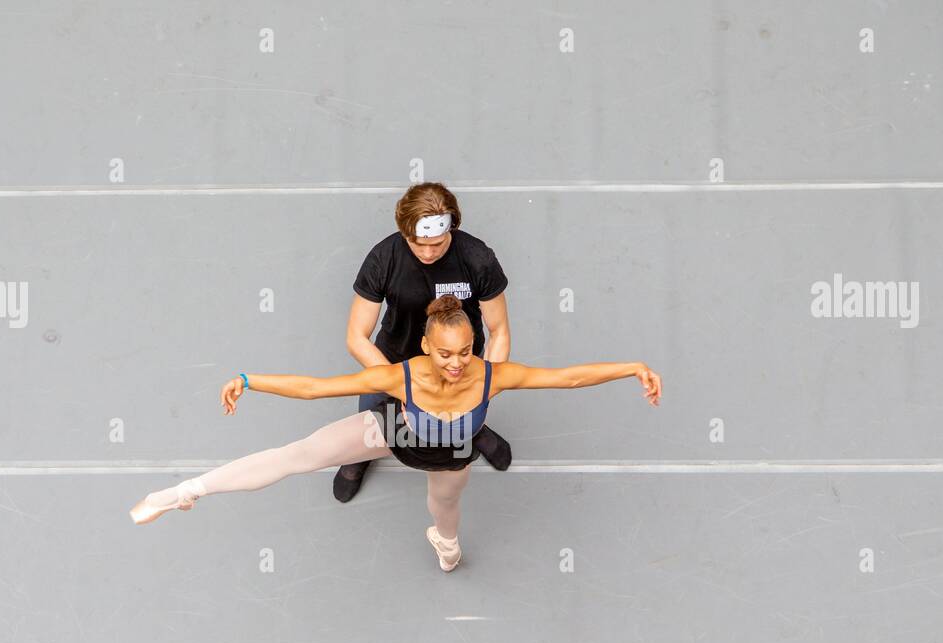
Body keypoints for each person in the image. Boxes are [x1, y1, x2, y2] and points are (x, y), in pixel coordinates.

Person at [130, 295, 662, 572]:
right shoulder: (399, 376)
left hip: (451, 456)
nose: (457, 364)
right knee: (299, 453)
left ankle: (445, 546)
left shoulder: (493, 376)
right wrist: (250, 380)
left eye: (466, 351)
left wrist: (632, 365)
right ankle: (183, 492)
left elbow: (568, 377)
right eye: (446, 353)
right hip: (393, 432)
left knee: (446, 524)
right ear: (427, 347)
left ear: (475, 343)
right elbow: (317, 388)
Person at [334, 182, 514, 504]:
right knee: (371, 419)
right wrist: (396, 382)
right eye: (419, 244)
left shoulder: (478, 259)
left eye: (438, 243)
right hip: (394, 360)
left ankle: (476, 430)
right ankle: (359, 456)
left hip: (457, 361)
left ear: (452, 229)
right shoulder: (383, 258)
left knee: (463, 416)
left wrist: (484, 386)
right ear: (404, 233)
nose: (428, 252)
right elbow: (356, 337)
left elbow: (499, 330)